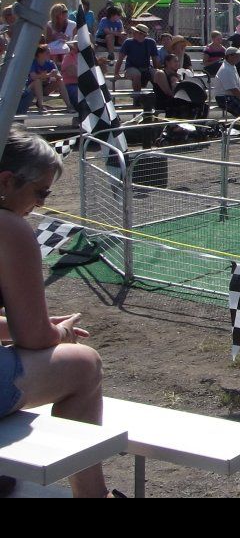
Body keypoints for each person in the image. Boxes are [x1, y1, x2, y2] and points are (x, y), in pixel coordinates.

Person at [0, 129, 114, 497]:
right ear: (6, 181)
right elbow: (33, 338)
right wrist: (58, 333)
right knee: (84, 363)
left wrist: (16, 328)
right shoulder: (10, 228)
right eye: (40, 193)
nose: (41, 205)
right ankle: (93, 494)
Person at [113, 24, 158, 93]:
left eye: (136, 32)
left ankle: (158, 97)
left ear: (143, 35)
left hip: (147, 68)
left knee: (158, 74)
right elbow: (120, 59)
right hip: (130, 68)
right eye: (134, 31)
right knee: (136, 74)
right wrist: (116, 73)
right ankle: (137, 99)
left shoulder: (151, 42)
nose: (133, 33)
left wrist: (157, 71)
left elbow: (155, 60)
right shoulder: (128, 42)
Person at [214, 47, 240, 117]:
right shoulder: (226, 70)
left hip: (234, 96)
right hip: (226, 98)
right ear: (230, 56)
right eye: (238, 55)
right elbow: (234, 90)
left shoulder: (232, 66)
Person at [22, 46, 62, 114]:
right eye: (47, 52)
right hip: (32, 89)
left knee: (60, 81)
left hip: (45, 89)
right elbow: (33, 77)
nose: (49, 54)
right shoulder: (33, 62)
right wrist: (47, 75)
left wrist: (55, 74)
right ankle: (40, 105)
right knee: (37, 81)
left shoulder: (51, 63)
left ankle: (69, 105)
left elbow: (59, 77)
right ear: (40, 54)